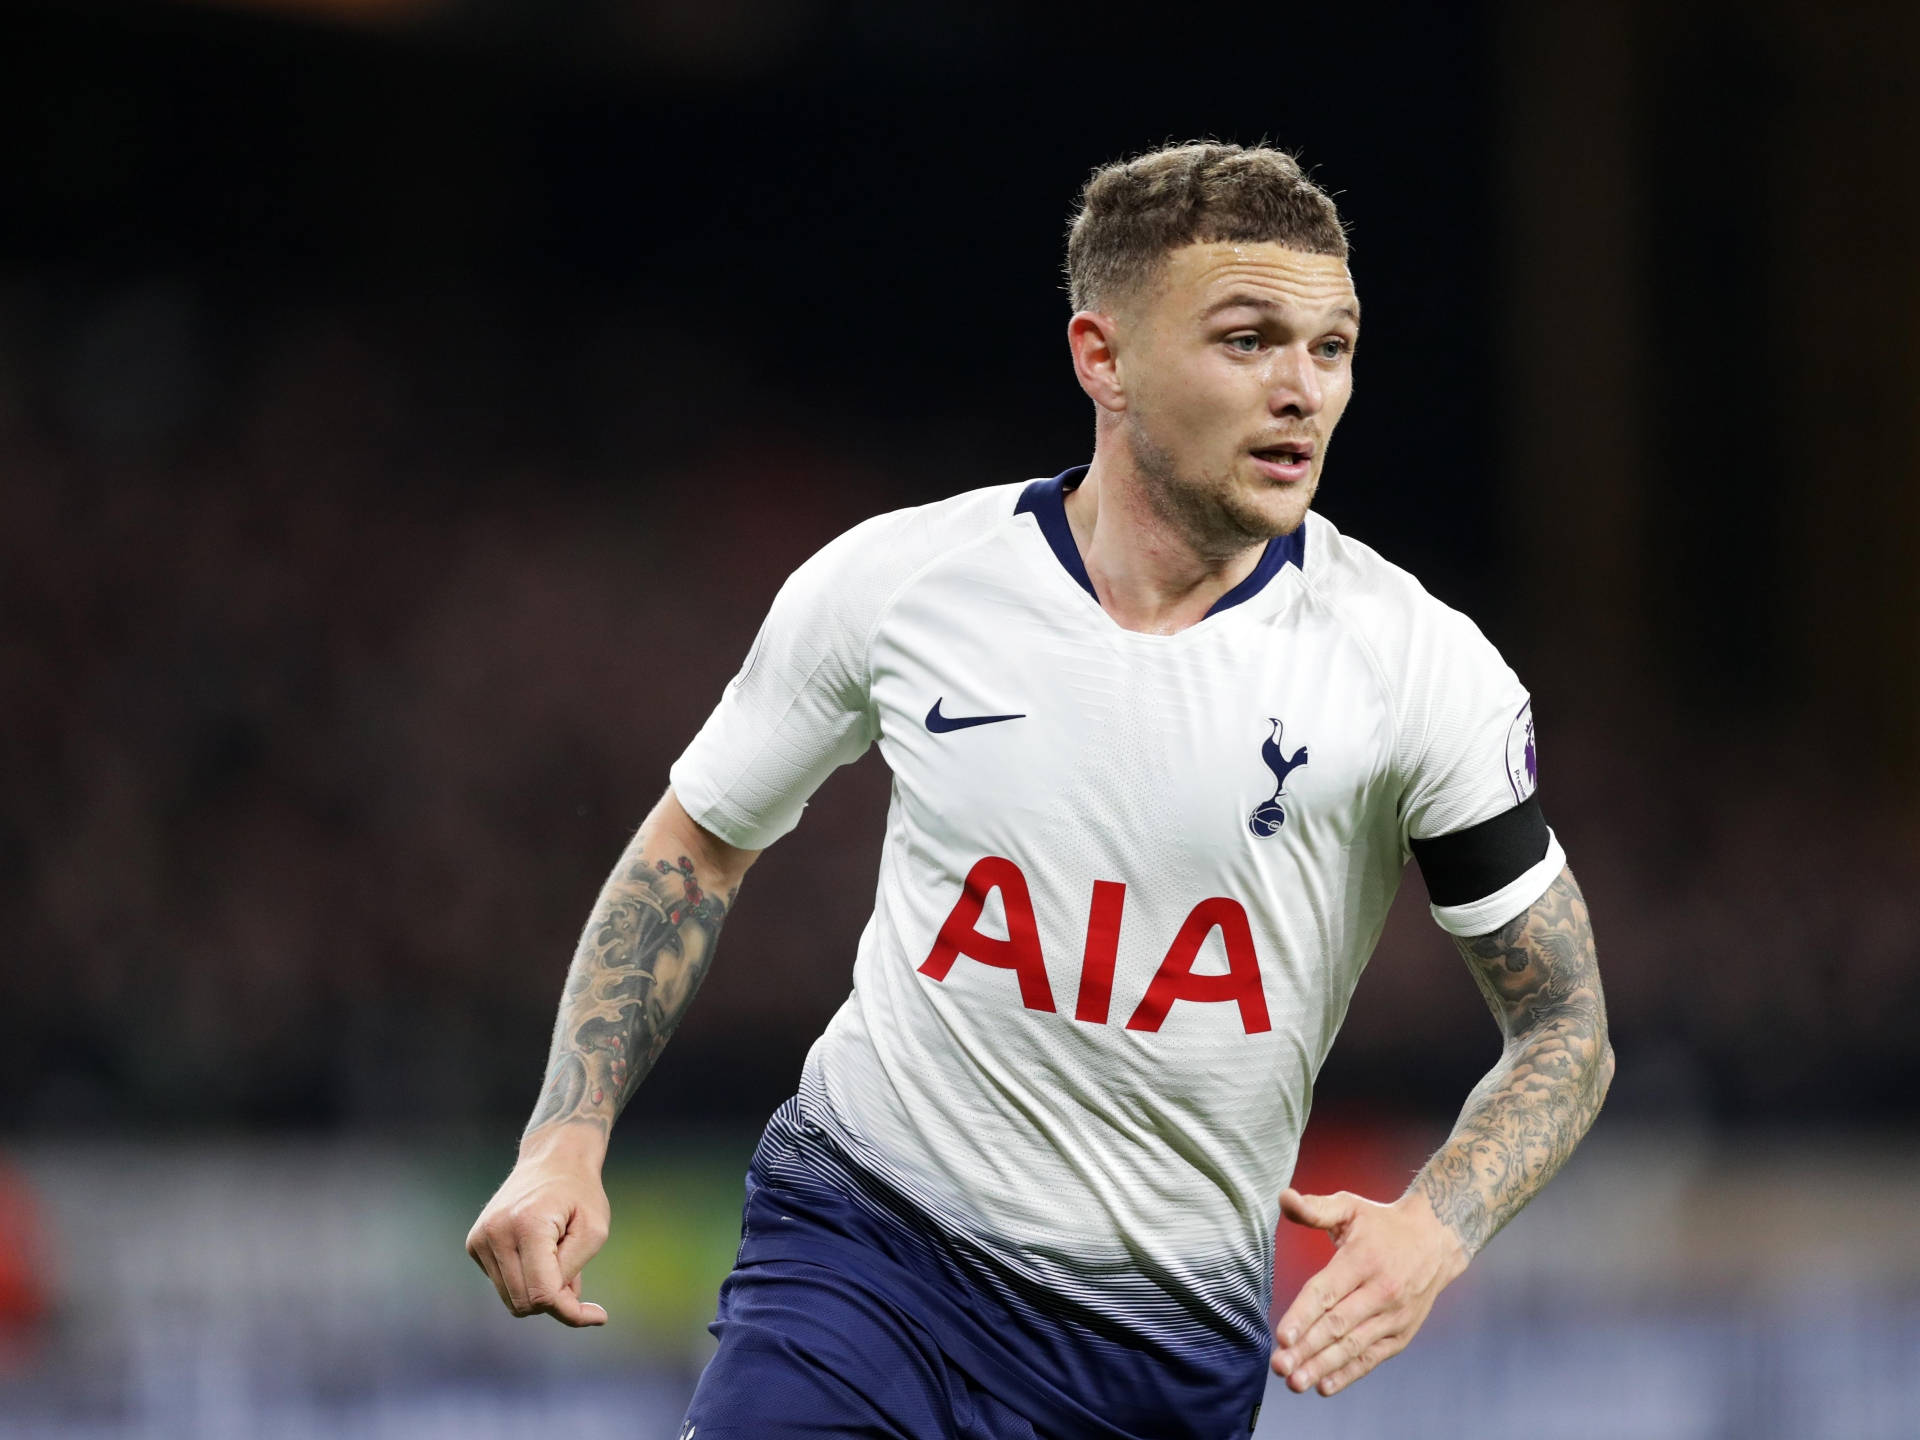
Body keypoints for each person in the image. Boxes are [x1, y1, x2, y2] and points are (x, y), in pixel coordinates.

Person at [465, 141, 1614, 1439]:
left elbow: (1564, 1026)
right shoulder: (902, 583)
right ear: (1102, 358)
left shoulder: (1418, 670)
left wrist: (1439, 1225)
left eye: (1332, 348)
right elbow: (697, 846)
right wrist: (565, 1134)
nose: (1303, 389)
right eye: (1248, 341)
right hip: (864, 1249)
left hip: (1156, 1357)